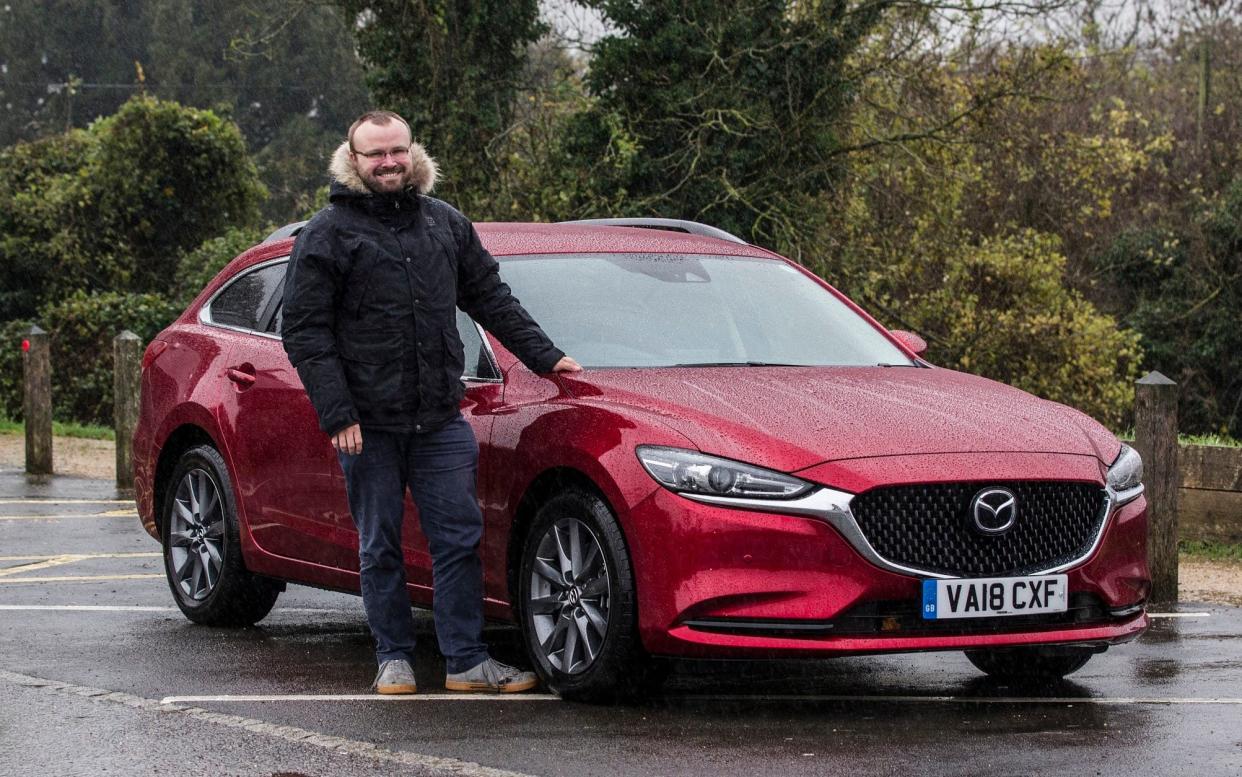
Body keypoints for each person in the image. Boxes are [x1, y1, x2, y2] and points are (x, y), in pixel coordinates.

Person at [281, 110, 581, 694]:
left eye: (397, 150)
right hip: (367, 424)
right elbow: (306, 331)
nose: (388, 162)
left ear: (412, 152)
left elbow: (491, 298)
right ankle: (393, 657)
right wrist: (337, 412)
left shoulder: (445, 224)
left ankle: (466, 661)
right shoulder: (327, 234)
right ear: (354, 161)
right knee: (380, 543)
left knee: (459, 539)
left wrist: (547, 357)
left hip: (440, 418)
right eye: (375, 155)